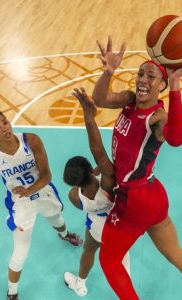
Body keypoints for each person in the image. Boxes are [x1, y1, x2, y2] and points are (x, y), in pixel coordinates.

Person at [92, 37, 182, 300]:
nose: (143, 80)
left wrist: (175, 84)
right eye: (140, 74)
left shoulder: (157, 116)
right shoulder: (128, 100)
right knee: (175, 253)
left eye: (151, 76)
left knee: (109, 260)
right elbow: (100, 98)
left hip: (134, 200)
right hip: (152, 195)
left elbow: (177, 139)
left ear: (160, 85)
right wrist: (108, 72)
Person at [0, 111, 83, 300]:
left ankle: (64, 235)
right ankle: (12, 293)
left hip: (43, 191)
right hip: (20, 204)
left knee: (58, 220)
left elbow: (47, 175)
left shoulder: (31, 140)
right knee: (20, 251)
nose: (4, 127)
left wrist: (29, 190)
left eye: (5, 122)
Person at [62, 87, 130, 297]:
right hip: (119, 222)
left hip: (97, 225)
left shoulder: (74, 197)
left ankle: (80, 284)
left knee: (89, 250)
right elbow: (99, 152)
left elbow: (83, 182)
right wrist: (89, 115)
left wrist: (92, 172)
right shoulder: (107, 183)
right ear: (91, 171)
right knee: (122, 263)